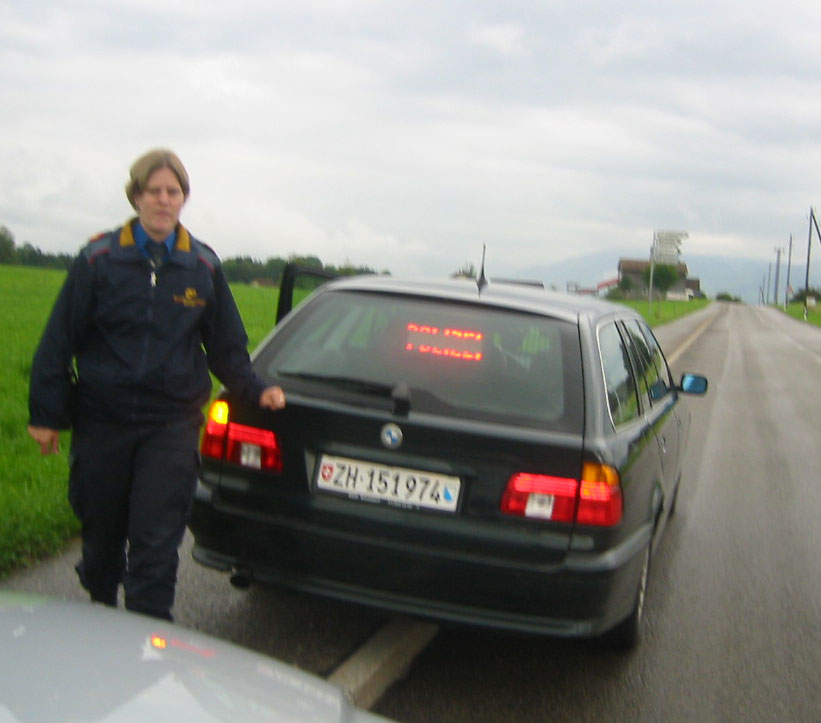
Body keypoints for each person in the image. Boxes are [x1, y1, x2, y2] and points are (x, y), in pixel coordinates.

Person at [27, 148, 286, 620]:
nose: (164, 200)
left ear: (183, 198)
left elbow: (226, 345)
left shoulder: (202, 266)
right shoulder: (99, 259)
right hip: (102, 421)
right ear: (136, 197)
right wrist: (45, 415)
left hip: (170, 425)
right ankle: (101, 609)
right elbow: (59, 339)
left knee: (157, 539)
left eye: (173, 191)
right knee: (102, 533)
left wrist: (255, 388)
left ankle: (149, 630)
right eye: (154, 191)